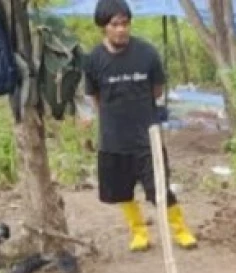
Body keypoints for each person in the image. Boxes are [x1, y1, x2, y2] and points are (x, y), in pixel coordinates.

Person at [83, 0, 198, 252]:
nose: (121, 29)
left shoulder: (146, 53)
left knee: (159, 187)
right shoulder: (93, 60)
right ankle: (139, 233)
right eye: (115, 24)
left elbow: (157, 90)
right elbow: (95, 97)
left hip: (147, 136)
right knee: (121, 191)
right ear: (104, 27)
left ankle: (181, 231)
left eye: (125, 23)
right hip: (113, 138)